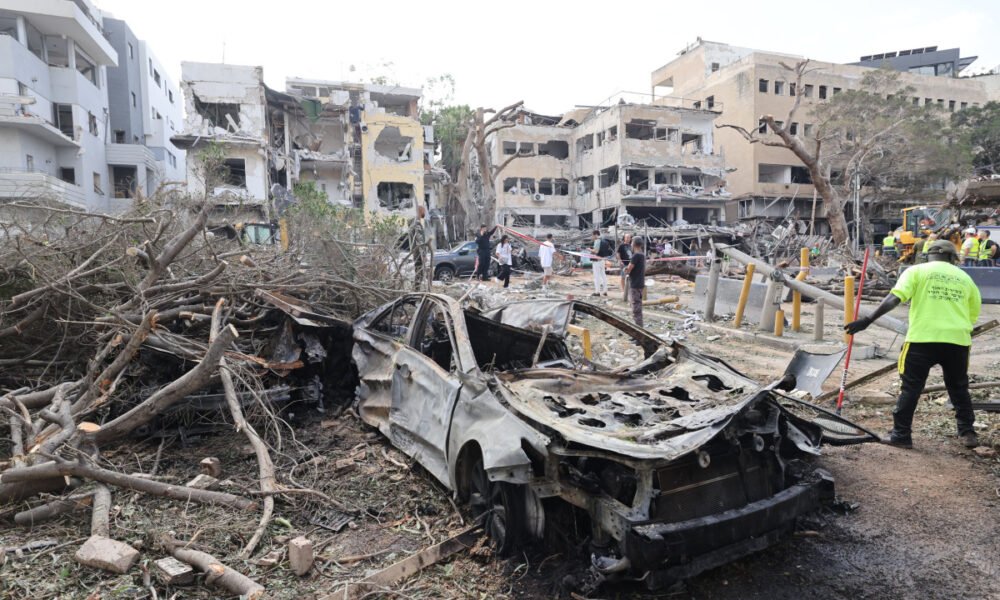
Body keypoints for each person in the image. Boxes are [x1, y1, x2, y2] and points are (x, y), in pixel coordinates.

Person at [845, 240, 981, 449]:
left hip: (921, 340)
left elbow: (894, 298)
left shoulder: (916, 271)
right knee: (959, 388)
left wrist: (868, 320)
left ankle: (901, 435)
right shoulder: (965, 278)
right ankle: (968, 433)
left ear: (927, 256)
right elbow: (972, 314)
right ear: (952, 258)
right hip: (958, 341)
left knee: (911, 388)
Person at [625, 237, 646, 327]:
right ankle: (639, 327)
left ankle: (638, 329)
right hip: (640, 282)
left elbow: (629, 269)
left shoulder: (636, 256)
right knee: (638, 306)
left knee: (636, 307)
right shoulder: (642, 255)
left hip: (635, 283)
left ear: (633, 244)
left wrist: (625, 269)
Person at [591, 230, 611, 296]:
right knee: (603, 275)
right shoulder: (604, 241)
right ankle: (605, 291)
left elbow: (596, 251)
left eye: (592, 235)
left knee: (596, 276)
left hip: (596, 261)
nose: (592, 237)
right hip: (602, 260)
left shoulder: (597, 241)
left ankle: (597, 292)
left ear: (595, 235)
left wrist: (589, 249)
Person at [617, 233, 633, 300]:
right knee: (623, 277)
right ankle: (623, 290)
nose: (628, 239)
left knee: (630, 277)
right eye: (626, 237)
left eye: (629, 237)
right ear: (624, 238)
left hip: (631, 263)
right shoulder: (621, 245)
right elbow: (618, 253)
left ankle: (629, 290)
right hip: (624, 263)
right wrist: (620, 261)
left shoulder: (631, 245)